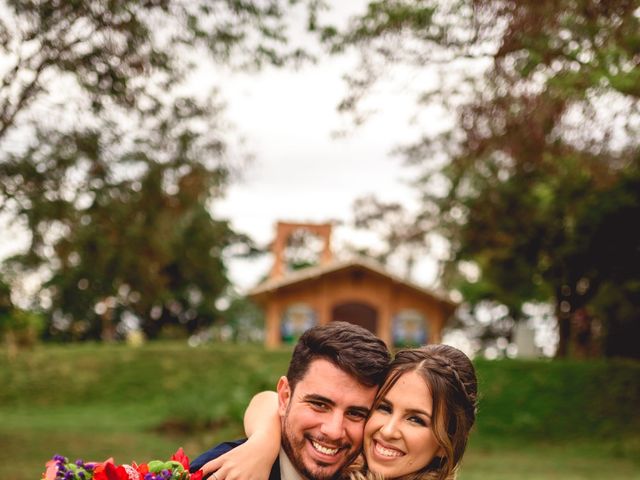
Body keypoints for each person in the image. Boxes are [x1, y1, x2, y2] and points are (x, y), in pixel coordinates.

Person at [200, 344, 478, 480]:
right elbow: (270, 400)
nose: (389, 430)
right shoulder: (338, 466)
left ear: (447, 443)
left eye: (416, 419)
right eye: (383, 407)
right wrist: (263, 442)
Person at [189, 321, 392, 480]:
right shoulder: (222, 471)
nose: (334, 431)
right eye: (319, 405)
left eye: (355, 413)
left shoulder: (368, 474)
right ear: (285, 396)